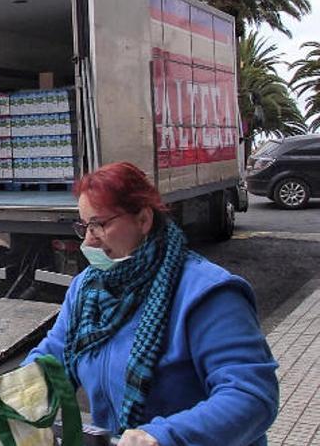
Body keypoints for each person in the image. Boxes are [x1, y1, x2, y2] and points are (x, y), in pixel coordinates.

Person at [22, 162, 278, 446]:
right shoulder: (86, 289)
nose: (88, 241)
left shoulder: (208, 293)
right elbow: (54, 355)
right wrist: (9, 396)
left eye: (99, 225)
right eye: (84, 226)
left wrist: (162, 436)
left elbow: (251, 396)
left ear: (143, 220)